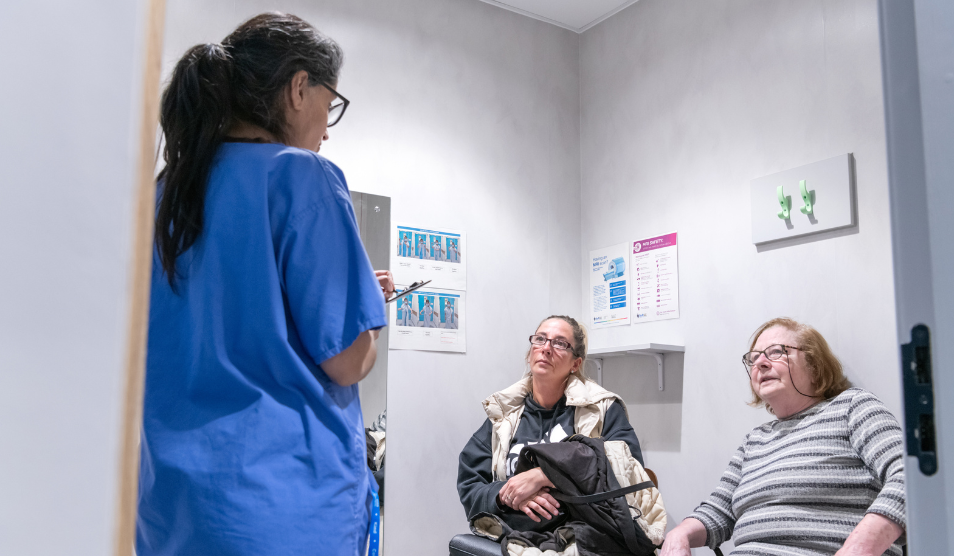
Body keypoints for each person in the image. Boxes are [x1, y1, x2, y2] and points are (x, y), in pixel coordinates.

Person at [138, 13, 394, 556]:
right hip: (282, 505)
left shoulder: (165, 194)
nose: (326, 129)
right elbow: (347, 360)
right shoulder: (302, 176)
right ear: (299, 87)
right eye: (331, 107)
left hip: (171, 506)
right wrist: (374, 317)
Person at [660, 318, 906, 556]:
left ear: (814, 366)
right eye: (753, 358)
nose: (761, 364)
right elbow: (719, 511)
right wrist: (677, 536)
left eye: (776, 352)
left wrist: (860, 547)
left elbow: (908, 475)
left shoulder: (853, 407)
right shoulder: (754, 441)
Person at [457, 315, 644, 528]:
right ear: (530, 353)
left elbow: (629, 467)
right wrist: (508, 495)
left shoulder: (602, 408)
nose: (546, 348)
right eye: (540, 339)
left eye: (559, 343)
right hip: (513, 533)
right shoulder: (505, 414)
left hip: (582, 536)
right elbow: (469, 484)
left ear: (576, 363)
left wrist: (546, 475)